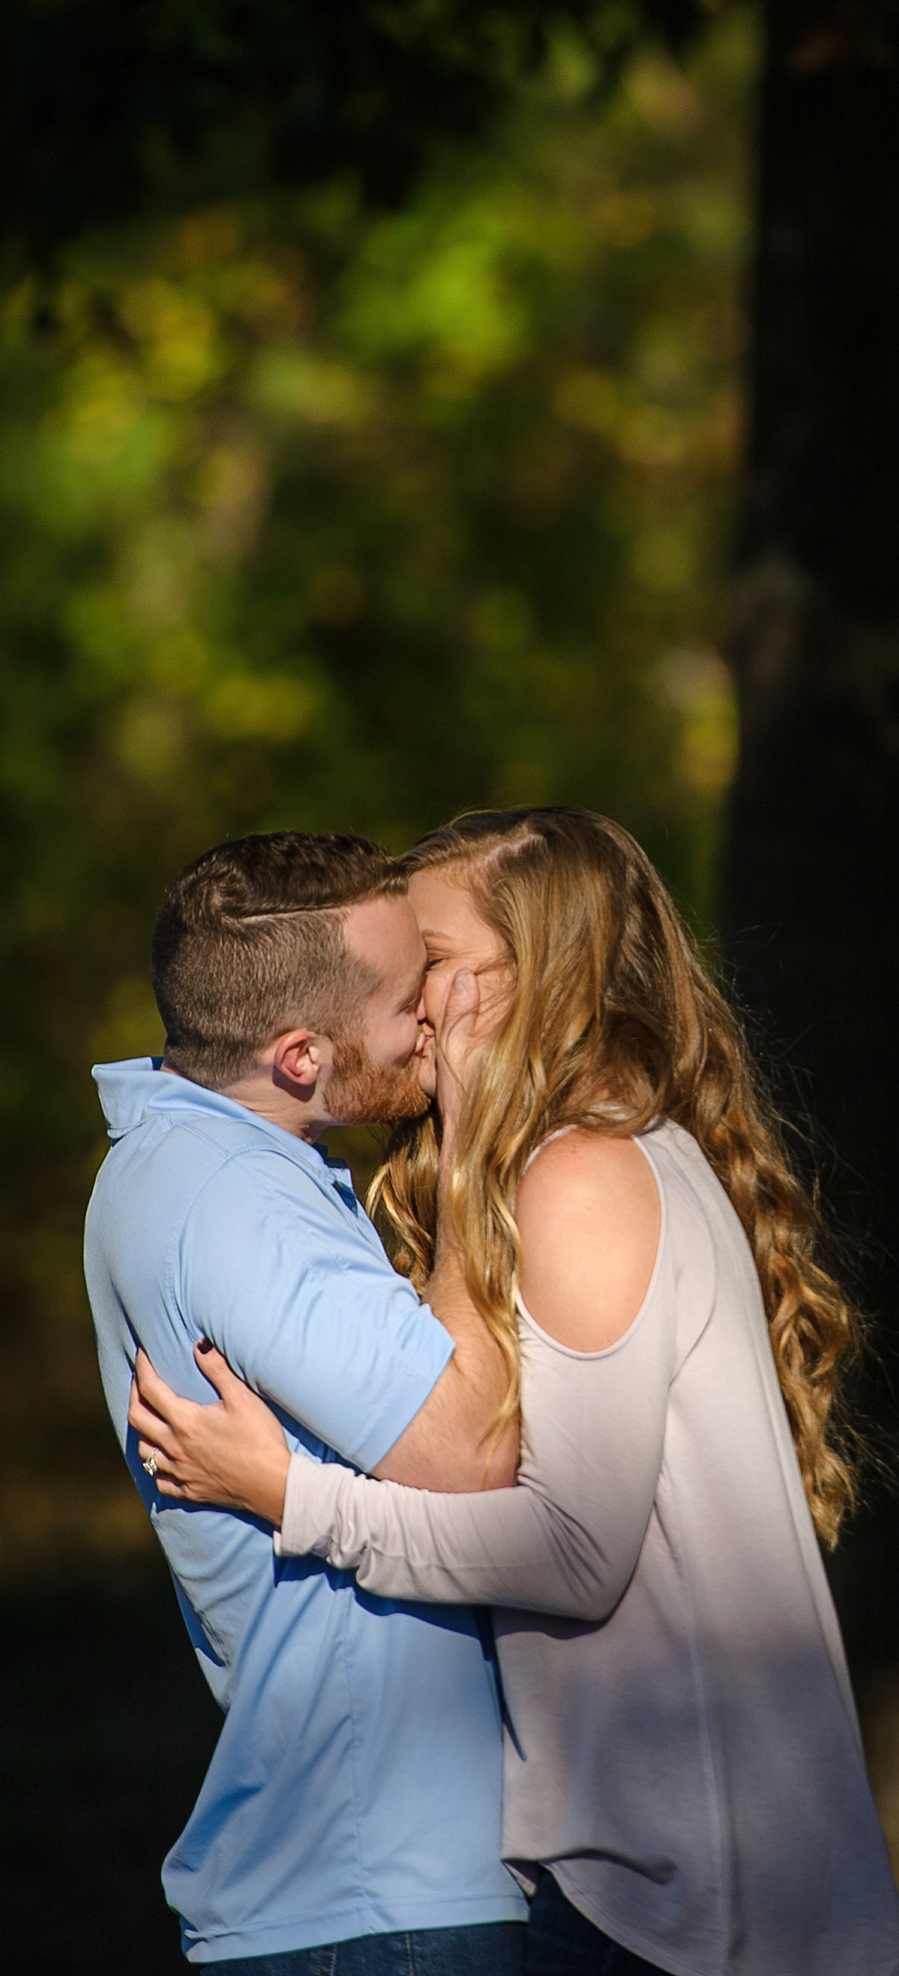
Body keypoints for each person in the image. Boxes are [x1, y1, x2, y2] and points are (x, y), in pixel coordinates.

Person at [131, 809, 899, 1976]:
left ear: (534, 978)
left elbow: (571, 1547)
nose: (409, 999)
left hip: (681, 1898)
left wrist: (298, 1498)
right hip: (668, 1879)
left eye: (430, 962)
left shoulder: (583, 1174)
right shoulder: (605, 1156)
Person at [83, 830, 529, 1971]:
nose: (436, 1016)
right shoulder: (234, 1197)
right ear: (297, 1054)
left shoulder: (205, 1158)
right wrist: (477, 1125)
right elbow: (469, 1445)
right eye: (404, 999)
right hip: (379, 1891)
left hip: (361, 1881)